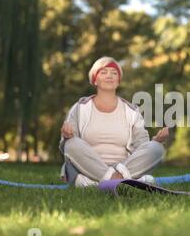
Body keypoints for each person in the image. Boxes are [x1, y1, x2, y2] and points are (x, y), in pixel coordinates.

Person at [59, 56, 169, 187]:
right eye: (103, 72)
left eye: (114, 73)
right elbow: (68, 148)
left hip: (125, 166)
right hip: (88, 169)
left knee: (157, 148)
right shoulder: (80, 108)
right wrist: (67, 137)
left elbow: (142, 146)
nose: (109, 76)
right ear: (95, 79)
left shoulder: (132, 111)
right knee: (71, 144)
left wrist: (156, 141)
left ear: (118, 81)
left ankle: (98, 183)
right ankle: (124, 181)